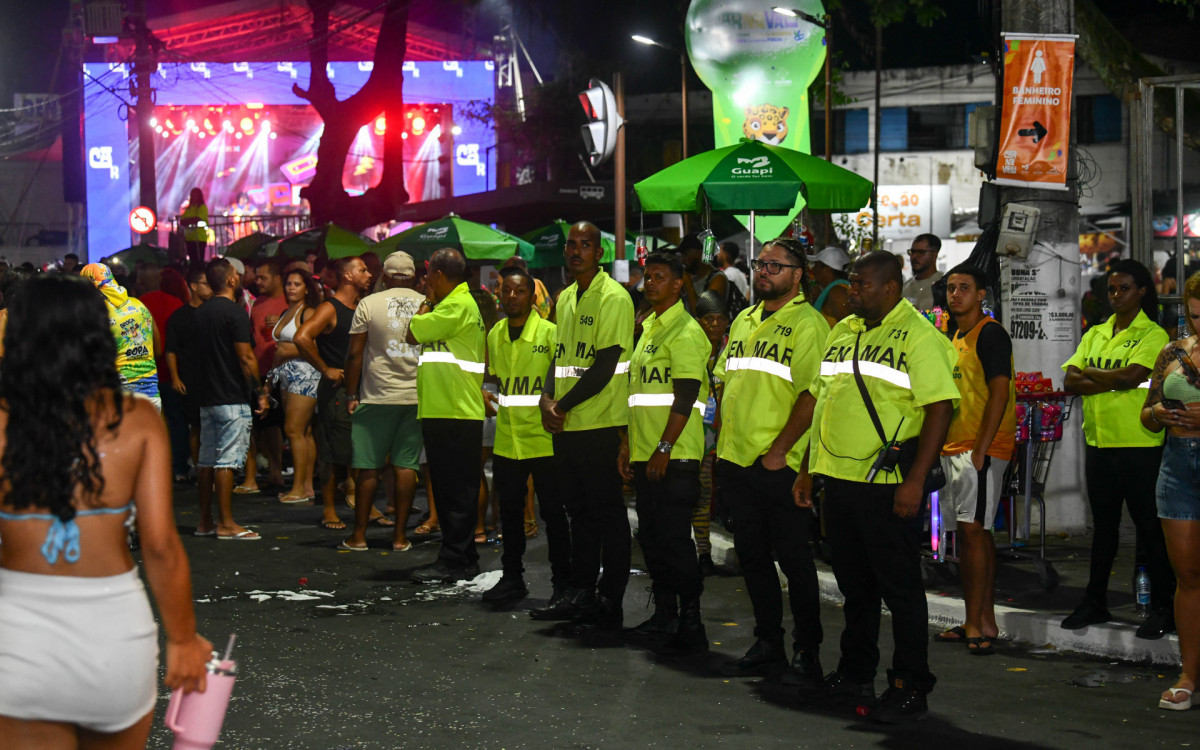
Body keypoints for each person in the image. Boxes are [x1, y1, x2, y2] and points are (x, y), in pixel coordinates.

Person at [0, 274, 211, 747]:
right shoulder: (135, 418)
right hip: (113, 632)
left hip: (19, 635)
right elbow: (158, 545)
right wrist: (182, 640)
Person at [793, 250, 958, 724]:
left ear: (890, 288)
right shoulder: (844, 331)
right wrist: (809, 469)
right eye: (851, 282)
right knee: (855, 587)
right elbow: (823, 404)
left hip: (887, 485)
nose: (852, 290)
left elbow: (940, 409)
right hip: (840, 483)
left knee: (900, 589)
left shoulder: (918, 336)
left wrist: (912, 482)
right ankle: (855, 672)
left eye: (862, 284)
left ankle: (909, 683)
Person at [712, 238, 828, 683]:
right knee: (753, 556)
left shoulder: (809, 324)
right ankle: (768, 641)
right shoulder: (744, 319)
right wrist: (721, 440)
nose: (763, 271)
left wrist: (781, 450)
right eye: (761, 264)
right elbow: (725, 381)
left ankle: (808, 648)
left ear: (797, 276)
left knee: (795, 562)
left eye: (775, 266)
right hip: (736, 460)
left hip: (778, 464)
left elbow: (812, 393)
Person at [531, 221, 634, 644]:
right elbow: (562, 357)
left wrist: (562, 405)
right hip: (569, 424)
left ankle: (609, 604)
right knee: (580, 515)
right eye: (571, 245)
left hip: (601, 424)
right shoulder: (567, 296)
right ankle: (581, 592)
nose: (576, 251)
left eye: (585, 245)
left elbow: (606, 364)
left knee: (608, 517)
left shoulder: (614, 297)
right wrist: (546, 397)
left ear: (600, 252)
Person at [1062, 258, 1175, 638]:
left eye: (1123, 288)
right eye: (1111, 289)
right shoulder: (1096, 332)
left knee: (1151, 531)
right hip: (1099, 445)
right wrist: (1108, 380)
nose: (1115, 295)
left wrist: (1095, 376)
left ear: (1142, 291)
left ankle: (1163, 607)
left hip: (1141, 447)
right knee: (1104, 530)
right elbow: (1070, 381)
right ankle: (1095, 602)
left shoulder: (1153, 335)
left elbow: (1133, 376)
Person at [619, 251, 711, 655]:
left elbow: (688, 397)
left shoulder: (686, 331)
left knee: (675, 542)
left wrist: (663, 448)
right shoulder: (650, 328)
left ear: (678, 285)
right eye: (647, 277)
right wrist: (628, 445)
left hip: (674, 456)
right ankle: (665, 614)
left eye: (660, 277)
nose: (650, 283)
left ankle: (691, 621)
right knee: (654, 540)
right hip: (645, 453)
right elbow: (638, 396)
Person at [933, 264, 1016, 656]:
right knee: (973, 536)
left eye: (965, 288)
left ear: (981, 294)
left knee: (973, 533)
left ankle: (977, 622)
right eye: (951, 288)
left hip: (980, 449)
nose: (956, 294)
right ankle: (981, 620)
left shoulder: (991, 333)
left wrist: (982, 448)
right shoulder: (953, 337)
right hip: (955, 448)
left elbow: (1000, 392)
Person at [480, 265, 566, 603]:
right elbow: (496, 382)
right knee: (510, 516)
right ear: (499, 296)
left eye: (519, 291)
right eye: (507, 291)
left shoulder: (550, 334)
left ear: (533, 297)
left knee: (555, 515)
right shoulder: (495, 333)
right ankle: (512, 577)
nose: (512, 297)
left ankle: (563, 585)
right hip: (508, 440)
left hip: (544, 439)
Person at [405, 248, 487, 583]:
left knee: (454, 490)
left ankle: (454, 559)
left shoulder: (455, 306)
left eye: (428, 277)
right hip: (449, 409)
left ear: (438, 274)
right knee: (454, 489)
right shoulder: (458, 305)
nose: (426, 283)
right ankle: (462, 556)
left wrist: (425, 301)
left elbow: (412, 331)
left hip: (453, 411)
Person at [1141, 270, 1200, 710]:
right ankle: (1189, 673)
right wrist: (1159, 413)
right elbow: (1146, 413)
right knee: (1188, 577)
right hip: (1177, 467)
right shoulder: (1173, 351)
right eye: (1195, 316)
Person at [340, 251, 424, 554]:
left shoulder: (368, 304)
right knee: (405, 466)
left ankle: (359, 537)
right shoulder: (426, 304)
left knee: (367, 468)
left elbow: (354, 354)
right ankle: (400, 537)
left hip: (376, 397)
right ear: (413, 276)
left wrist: (351, 394)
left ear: (385, 277)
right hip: (416, 397)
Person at [295, 257, 374, 531]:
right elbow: (302, 337)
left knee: (363, 450)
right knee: (332, 452)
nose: (369, 274)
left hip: (360, 389)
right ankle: (329, 508)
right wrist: (324, 368)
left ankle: (365, 504)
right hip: (336, 391)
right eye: (362, 270)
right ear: (348, 276)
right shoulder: (331, 308)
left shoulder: (362, 307)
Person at [192, 259, 269, 540]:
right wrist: (259, 393)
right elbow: (246, 357)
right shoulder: (234, 313)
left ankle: (205, 521)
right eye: (236, 275)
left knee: (206, 460)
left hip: (207, 396)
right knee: (226, 460)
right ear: (231, 281)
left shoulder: (199, 313)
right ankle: (226, 524)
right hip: (231, 396)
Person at [269, 269, 323, 504]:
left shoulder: (310, 312)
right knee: (304, 432)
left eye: (297, 284)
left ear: (307, 288)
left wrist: (285, 350)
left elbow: (316, 346)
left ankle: (299, 487)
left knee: (293, 430)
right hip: (287, 377)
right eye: (289, 283)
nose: (291, 288)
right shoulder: (287, 311)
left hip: (305, 376)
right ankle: (307, 486)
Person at [236, 258, 288, 495]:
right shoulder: (257, 304)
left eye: (263, 277)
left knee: (276, 425)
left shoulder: (288, 302)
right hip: (257, 371)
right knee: (259, 424)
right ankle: (264, 472)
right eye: (256, 277)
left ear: (277, 278)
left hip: (280, 371)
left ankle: (278, 471)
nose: (258, 281)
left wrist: (281, 324)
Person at [81, 263, 163, 410]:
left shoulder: (96, 313)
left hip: (118, 392)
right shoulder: (139, 305)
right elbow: (158, 350)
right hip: (151, 392)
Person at [693, 290, 729, 576]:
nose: (715, 325)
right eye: (709, 320)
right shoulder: (692, 347)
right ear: (699, 321)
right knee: (701, 493)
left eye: (720, 319)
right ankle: (702, 554)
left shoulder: (732, 348)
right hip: (697, 436)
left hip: (727, 435)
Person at [166, 267, 212, 482]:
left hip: (213, 377)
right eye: (205, 283)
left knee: (212, 425)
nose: (210, 287)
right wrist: (175, 377)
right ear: (193, 286)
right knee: (195, 424)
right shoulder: (180, 316)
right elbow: (171, 349)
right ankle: (198, 468)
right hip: (190, 377)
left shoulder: (214, 311)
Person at [678, 232, 729, 313]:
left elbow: (703, 314)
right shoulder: (694, 279)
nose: (683, 260)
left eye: (686, 254)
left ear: (700, 253)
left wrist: (688, 284)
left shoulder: (718, 279)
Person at [808, 246, 852, 327]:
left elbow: (848, 330)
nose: (813, 269)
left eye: (816, 265)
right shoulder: (832, 290)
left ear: (827, 269)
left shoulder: (837, 293)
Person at [501, 255, 553, 320]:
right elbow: (552, 305)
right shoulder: (538, 282)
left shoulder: (526, 288)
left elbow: (534, 310)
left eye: (508, 272)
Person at [901, 233, 943, 311]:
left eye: (921, 252)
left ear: (934, 255)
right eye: (912, 252)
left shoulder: (943, 285)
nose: (914, 256)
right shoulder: (904, 287)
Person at [180, 187, 209, 265]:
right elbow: (182, 221)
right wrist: (190, 220)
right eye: (192, 195)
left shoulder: (202, 207)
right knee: (193, 261)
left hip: (199, 238)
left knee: (198, 261)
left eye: (195, 195)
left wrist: (188, 221)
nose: (194, 197)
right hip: (190, 238)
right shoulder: (189, 208)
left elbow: (198, 219)